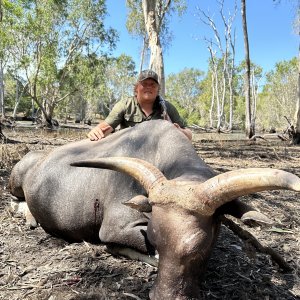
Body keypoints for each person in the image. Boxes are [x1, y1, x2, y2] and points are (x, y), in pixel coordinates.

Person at [87, 69, 192, 141]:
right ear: (136, 88)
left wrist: (180, 131)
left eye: (152, 85)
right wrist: (97, 131)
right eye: (144, 84)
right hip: (127, 152)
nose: (149, 87)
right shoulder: (125, 105)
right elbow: (107, 126)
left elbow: (189, 134)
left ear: (158, 89)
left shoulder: (167, 107)